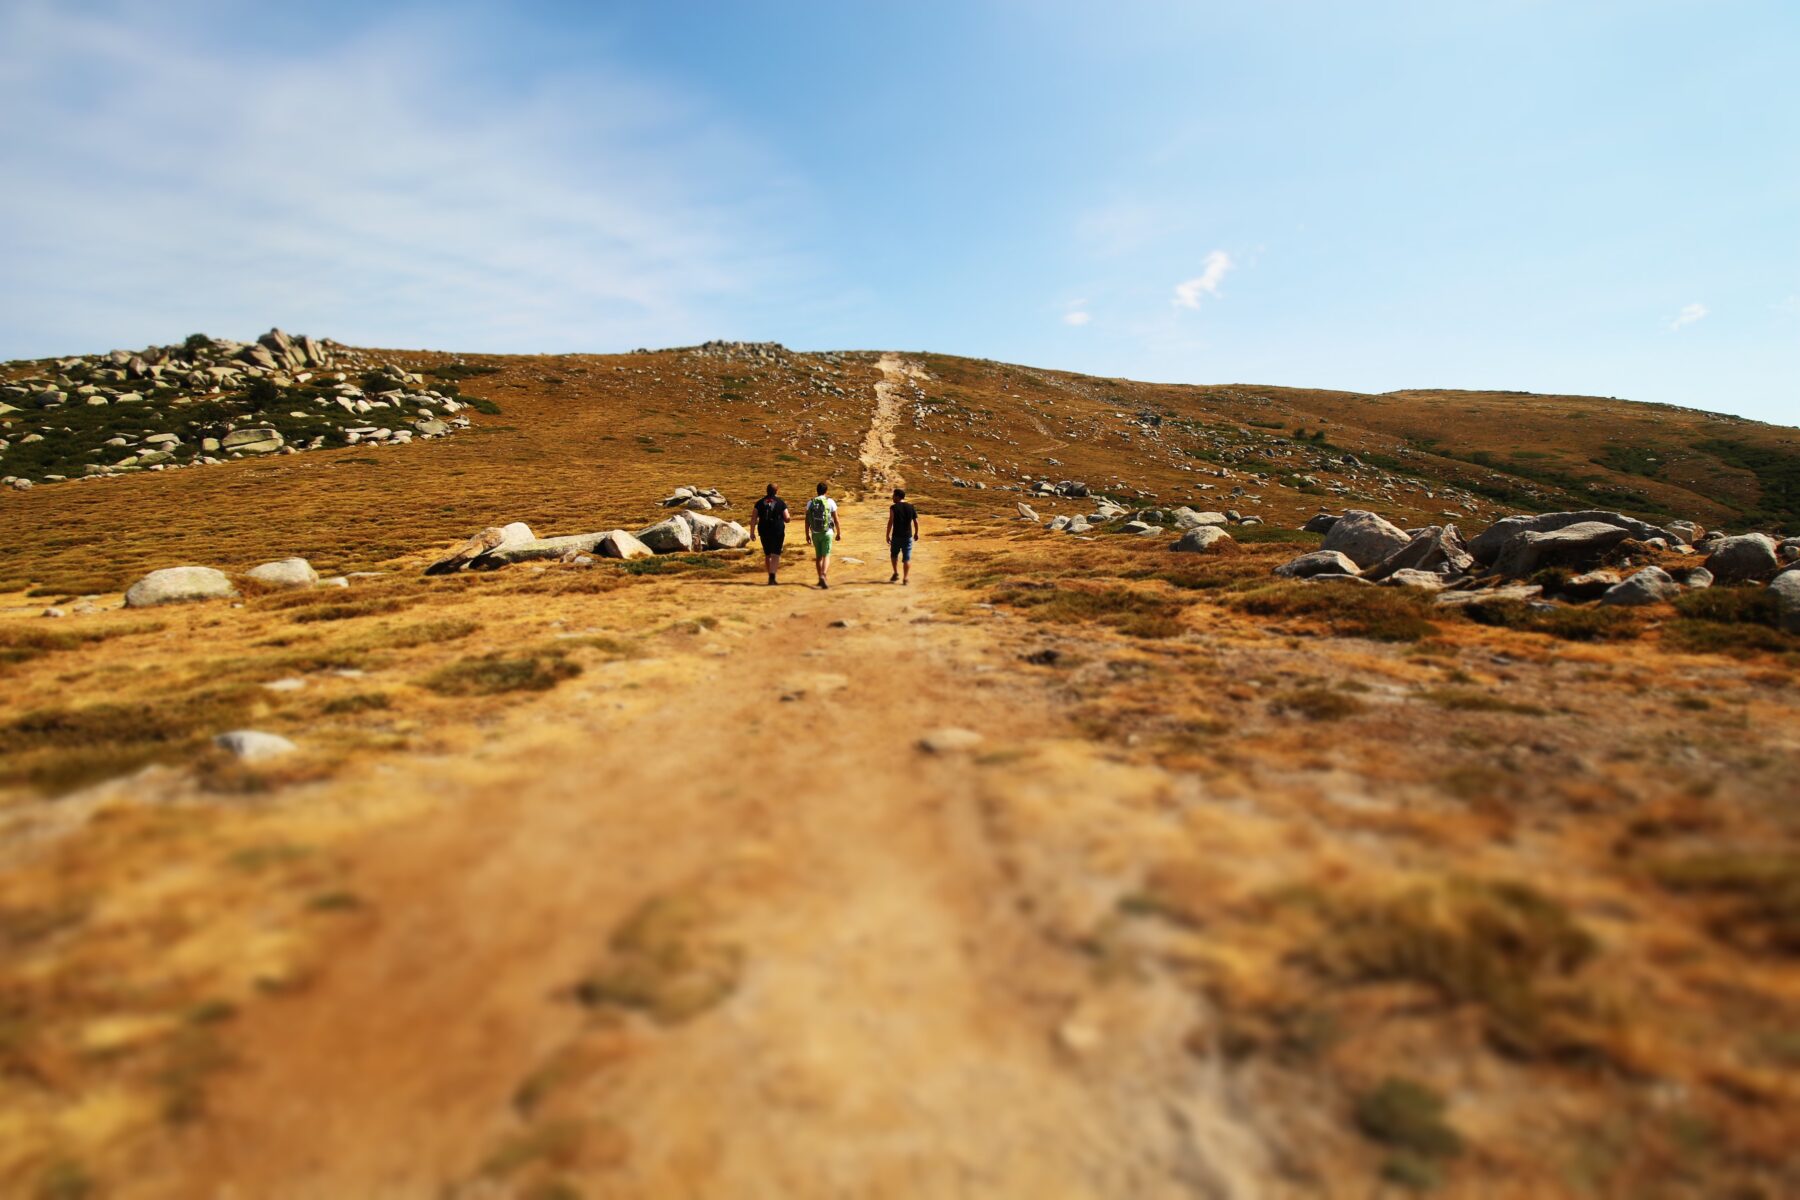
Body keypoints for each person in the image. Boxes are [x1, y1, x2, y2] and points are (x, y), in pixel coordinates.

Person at [750, 483, 790, 585]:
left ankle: (770, 576)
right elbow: (787, 518)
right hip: (777, 530)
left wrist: (752, 532)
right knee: (775, 554)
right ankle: (772, 577)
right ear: (776, 491)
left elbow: (754, 518)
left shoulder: (759, 503)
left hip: (763, 530)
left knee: (768, 554)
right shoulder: (781, 502)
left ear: (766, 491)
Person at [804, 481, 841, 589]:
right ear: (826, 491)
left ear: (817, 490)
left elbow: (807, 521)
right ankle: (823, 575)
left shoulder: (810, 503)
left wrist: (807, 534)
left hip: (815, 533)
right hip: (827, 532)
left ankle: (820, 578)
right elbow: (836, 519)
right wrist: (839, 532)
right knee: (826, 556)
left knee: (818, 557)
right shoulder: (830, 502)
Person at [885, 487, 919, 585]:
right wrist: (916, 533)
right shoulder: (911, 506)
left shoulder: (893, 507)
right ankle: (905, 578)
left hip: (896, 536)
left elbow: (890, 522)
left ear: (898, 496)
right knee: (907, 558)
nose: (892, 497)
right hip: (908, 536)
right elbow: (915, 521)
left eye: (893, 496)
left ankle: (896, 573)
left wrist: (887, 535)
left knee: (894, 555)